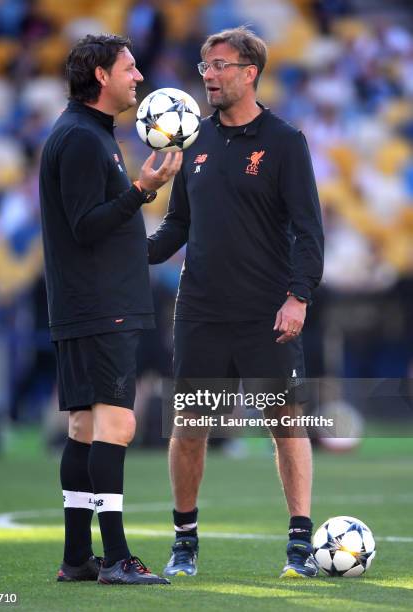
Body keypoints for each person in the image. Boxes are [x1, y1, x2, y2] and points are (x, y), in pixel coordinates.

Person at [147, 27, 324, 578]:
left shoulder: (285, 140)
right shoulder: (191, 141)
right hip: (199, 310)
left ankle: (299, 543)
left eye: (220, 65)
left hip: (267, 311)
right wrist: (132, 251)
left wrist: (298, 297)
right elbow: (178, 225)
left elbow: (308, 230)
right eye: (205, 66)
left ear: (250, 73)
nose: (209, 76)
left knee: (285, 423)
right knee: (190, 428)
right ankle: (184, 542)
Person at [39, 33, 182, 586]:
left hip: (87, 303)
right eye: (129, 67)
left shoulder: (85, 133)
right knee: (116, 424)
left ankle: (78, 557)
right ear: (101, 76)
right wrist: (143, 190)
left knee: (82, 426)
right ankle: (118, 557)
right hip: (102, 306)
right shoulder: (79, 138)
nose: (139, 77)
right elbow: (86, 224)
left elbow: (102, 226)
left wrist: (149, 206)